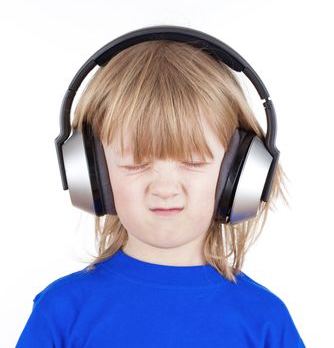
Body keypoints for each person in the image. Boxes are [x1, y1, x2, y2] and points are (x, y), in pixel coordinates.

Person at [16, 35, 305, 347]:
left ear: (239, 173)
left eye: (193, 161)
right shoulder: (61, 311)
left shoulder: (264, 319)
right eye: (136, 163)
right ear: (92, 174)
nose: (165, 188)